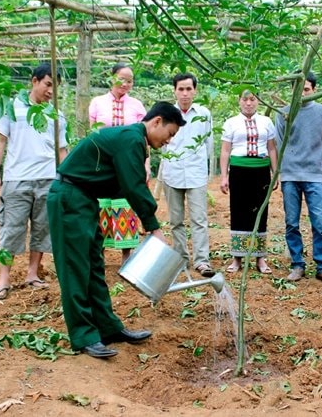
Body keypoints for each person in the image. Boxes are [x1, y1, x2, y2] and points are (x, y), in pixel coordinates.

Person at [47, 101, 185, 359]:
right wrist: (153, 228)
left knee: (94, 268)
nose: (169, 140)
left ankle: (108, 328)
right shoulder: (130, 139)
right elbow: (133, 186)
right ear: (157, 122)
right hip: (69, 198)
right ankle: (84, 336)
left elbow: (125, 183)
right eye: (170, 134)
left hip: (85, 200)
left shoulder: (133, 141)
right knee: (76, 270)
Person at [0, 63, 67, 300]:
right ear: (34, 81)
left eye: (55, 87)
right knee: (11, 228)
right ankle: (4, 279)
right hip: (17, 179)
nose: (51, 91)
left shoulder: (56, 114)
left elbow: (62, 150)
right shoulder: (11, 107)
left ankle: (32, 273)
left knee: (43, 228)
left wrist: (66, 179)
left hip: (48, 178)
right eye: (47, 84)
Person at [275, 72, 322, 286]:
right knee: (291, 222)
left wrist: (320, 168)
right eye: (297, 89)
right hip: (290, 174)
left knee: (319, 222)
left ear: (314, 90)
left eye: (306, 89)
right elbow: (279, 141)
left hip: (314, 175)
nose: (301, 94)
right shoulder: (283, 113)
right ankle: (297, 264)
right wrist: (283, 169)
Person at [89, 63, 147, 265]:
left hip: (129, 163)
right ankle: (100, 254)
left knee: (125, 205)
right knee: (102, 206)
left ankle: (126, 256)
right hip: (103, 162)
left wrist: (144, 166)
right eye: (122, 78)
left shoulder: (137, 105)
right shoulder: (97, 102)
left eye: (130, 80)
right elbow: (93, 135)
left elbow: (143, 138)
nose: (125, 84)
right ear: (112, 78)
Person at [161, 73, 214, 277]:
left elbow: (208, 145)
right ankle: (181, 259)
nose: (185, 94)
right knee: (175, 221)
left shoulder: (203, 114)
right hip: (172, 173)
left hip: (196, 173)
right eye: (181, 89)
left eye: (188, 89)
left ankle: (202, 261)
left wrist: (207, 172)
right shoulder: (166, 114)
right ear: (174, 90)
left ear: (195, 91)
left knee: (199, 219)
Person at [219, 89, 278, 274]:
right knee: (238, 211)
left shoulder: (267, 122)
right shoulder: (231, 123)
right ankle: (237, 257)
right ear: (239, 101)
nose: (249, 103)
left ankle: (260, 258)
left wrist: (275, 173)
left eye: (252, 99)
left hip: (261, 171)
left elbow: (272, 149)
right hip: (239, 170)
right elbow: (225, 151)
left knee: (261, 212)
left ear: (258, 101)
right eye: (245, 99)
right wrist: (223, 175)